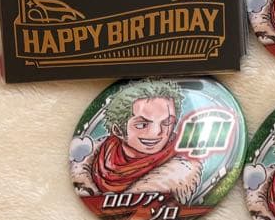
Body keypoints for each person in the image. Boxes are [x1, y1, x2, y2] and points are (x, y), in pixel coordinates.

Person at [71, 80, 201, 204]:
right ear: (118, 130)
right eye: (142, 124)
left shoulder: (180, 172)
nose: (156, 132)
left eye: (167, 122)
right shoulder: (93, 159)